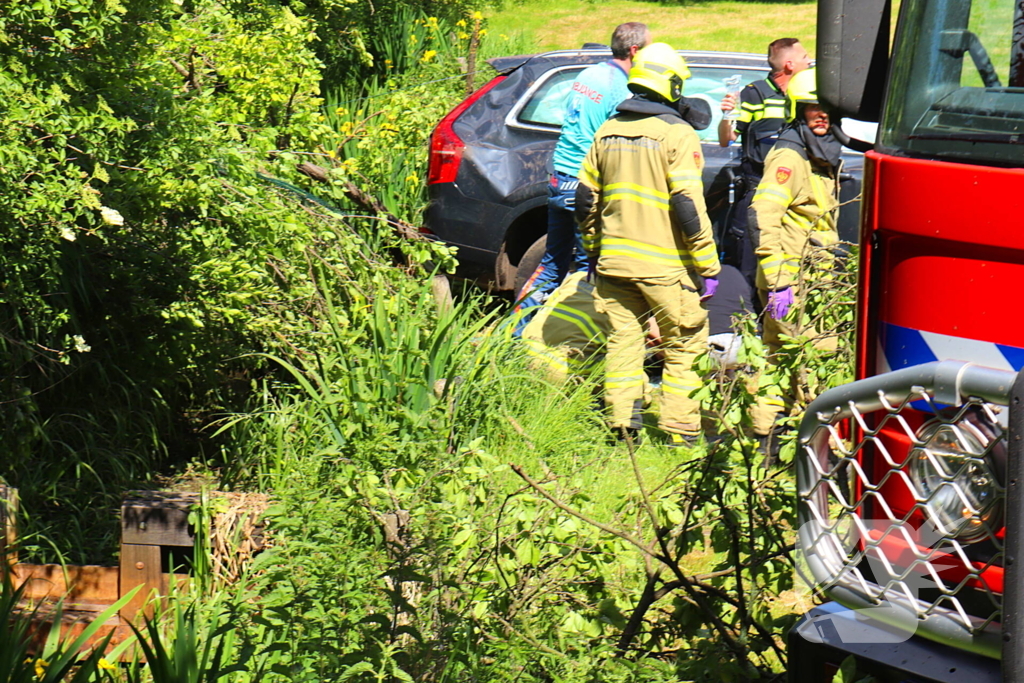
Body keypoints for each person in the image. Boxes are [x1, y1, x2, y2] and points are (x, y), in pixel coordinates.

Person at [575, 42, 721, 448]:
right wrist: (708, 267)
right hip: (665, 268)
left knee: (623, 343)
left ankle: (622, 428)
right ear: (670, 84)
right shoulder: (676, 134)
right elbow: (689, 207)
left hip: (613, 265)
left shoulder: (607, 131)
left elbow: (586, 200)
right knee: (684, 346)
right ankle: (681, 434)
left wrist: (593, 249)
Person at [515, 22, 651, 325]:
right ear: (634, 50)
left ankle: (514, 332)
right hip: (585, 183)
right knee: (585, 269)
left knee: (551, 266)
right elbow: (618, 140)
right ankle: (565, 342)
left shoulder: (590, 73)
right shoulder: (620, 86)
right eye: (648, 48)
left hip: (560, 175)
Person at [747, 67, 842, 447]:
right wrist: (778, 282)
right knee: (813, 361)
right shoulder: (790, 156)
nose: (821, 116)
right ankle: (818, 451)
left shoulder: (818, 152)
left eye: (826, 109)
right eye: (811, 108)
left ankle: (764, 440)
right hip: (792, 283)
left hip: (811, 278)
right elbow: (761, 215)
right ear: (797, 111)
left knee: (777, 361)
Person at [717, 38, 812, 286]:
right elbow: (727, 139)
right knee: (749, 263)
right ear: (789, 64)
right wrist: (727, 116)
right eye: (804, 57)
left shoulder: (809, 94)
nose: (809, 61)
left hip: (793, 192)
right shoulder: (756, 93)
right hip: (757, 189)